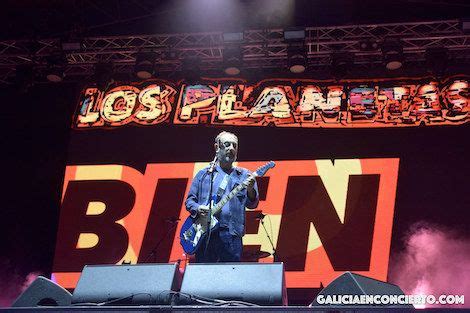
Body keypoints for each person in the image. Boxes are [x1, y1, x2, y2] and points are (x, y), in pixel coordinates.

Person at [185, 131, 259, 262]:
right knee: (204, 274)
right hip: (205, 233)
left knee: (230, 275)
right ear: (217, 148)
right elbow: (190, 201)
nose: (231, 148)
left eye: (234, 146)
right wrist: (198, 208)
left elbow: (252, 204)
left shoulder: (245, 175)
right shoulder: (203, 175)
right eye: (227, 144)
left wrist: (250, 188)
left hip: (232, 234)